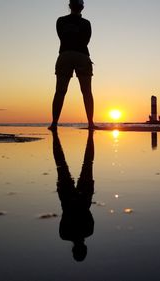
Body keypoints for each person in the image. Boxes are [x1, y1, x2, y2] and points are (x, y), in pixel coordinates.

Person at [49, 0, 94, 131]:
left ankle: (54, 123)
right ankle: (90, 123)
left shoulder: (61, 21)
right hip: (82, 55)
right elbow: (86, 40)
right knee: (86, 92)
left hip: (65, 55)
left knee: (60, 91)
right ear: (82, 7)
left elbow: (62, 37)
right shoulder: (86, 23)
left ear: (70, 6)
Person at [52, 129, 95, 262]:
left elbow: (88, 214)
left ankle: (89, 136)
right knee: (61, 165)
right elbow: (68, 216)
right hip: (69, 198)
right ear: (73, 250)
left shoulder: (88, 231)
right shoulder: (64, 234)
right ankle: (89, 135)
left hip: (81, 197)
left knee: (87, 164)